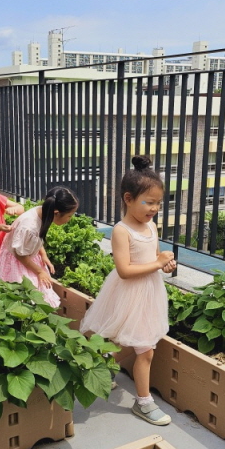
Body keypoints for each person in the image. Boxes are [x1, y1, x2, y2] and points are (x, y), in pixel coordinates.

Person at [79, 156, 176, 426]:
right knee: (142, 349)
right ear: (128, 198)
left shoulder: (150, 226)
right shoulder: (121, 231)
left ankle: (105, 366)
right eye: (149, 202)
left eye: (158, 203)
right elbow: (124, 269)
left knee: (128, 340)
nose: (154, 208)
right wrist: (156, 262)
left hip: (148, 293)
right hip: (127, 291)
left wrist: (164, 264)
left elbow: (154, 258)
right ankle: (143, 403)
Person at [0, 185, 78, 306]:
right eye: (69, 215)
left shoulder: (44, 211)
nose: (70, 219)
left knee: (38, 293)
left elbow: (35, 239)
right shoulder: (29, 225)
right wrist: (39, 271)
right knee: (24, 299)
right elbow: (19, 254)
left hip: (27, 256)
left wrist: (43, 255)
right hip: (17, 261)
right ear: (57, 213)